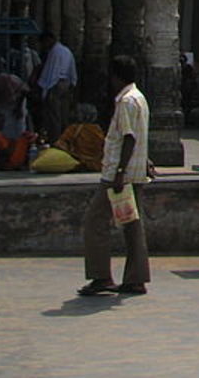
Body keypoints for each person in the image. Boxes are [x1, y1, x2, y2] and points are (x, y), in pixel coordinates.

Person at [77, 55, 151, 296]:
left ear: (116, 77)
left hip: (119, 176)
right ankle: (135, 278)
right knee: (131, 225)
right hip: (133, 173)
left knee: (94, 222)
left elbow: (129, 138)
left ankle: (101, 276)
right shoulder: (139, 98)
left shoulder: (126, 102)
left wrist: (119, 172)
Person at [35, 31, 78, 143]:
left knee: (54, 116)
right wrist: (72, 83)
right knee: (63, 114)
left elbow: (51, 71)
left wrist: (45, 88)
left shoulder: (55, 52)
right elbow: (72, 69)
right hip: (66, 84)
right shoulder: (66, 51)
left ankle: (56, 140)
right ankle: (64, 139)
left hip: (56, 84)